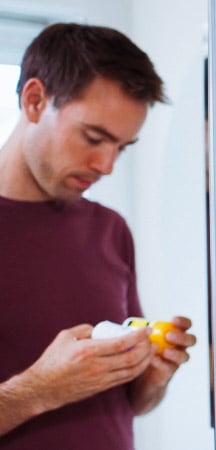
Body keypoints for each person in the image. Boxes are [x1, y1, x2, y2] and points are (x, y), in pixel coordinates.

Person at [0, 23, 197, 449]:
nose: (107, 165)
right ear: (34, 100)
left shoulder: (111, 230)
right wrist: (37, 391)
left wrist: (151, 378)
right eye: (94, 137)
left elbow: (130, 405)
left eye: (122, 147)